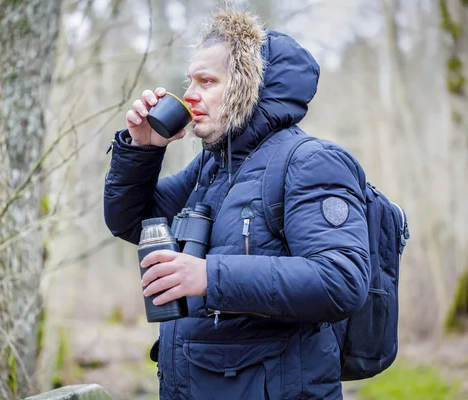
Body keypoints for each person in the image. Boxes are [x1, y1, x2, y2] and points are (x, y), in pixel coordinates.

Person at [104, 7, 370, 400]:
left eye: (207, 81)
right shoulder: (212, 167)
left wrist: (210, 276)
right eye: (189, 80)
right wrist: (143, 150)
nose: (189, 94)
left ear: (249, 88)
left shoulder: (309, 162)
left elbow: (341, 280)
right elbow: (132, 221)